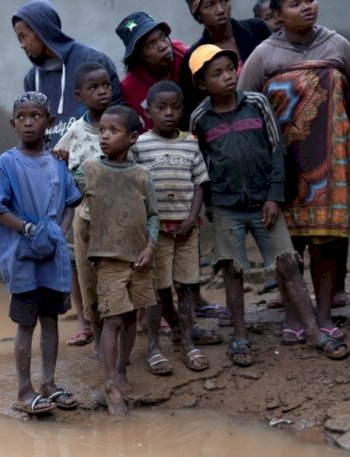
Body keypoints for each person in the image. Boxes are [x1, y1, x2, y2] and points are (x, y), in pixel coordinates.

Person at [189, 45, 349, 366]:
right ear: (202, 84)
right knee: (232, 270)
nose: (227, 77)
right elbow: (199, 164)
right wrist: (207, 206)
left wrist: (274, 196)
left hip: (265, 203)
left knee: (288, 263)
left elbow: (276, 150)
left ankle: (314, 331)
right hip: (225, 207)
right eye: (216, 74)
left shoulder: (257, 104)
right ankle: (239, 337)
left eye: (230, 70)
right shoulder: (200, 118)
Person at [238, 0, 350, 338]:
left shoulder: (338, 46)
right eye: (294, 3)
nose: (307, 7)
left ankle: (324, 316)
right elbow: (246, 111)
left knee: (327, 244)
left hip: (330, 167)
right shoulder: (263, 55)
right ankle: (292, 318)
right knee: (286, 247)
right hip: (282, 168)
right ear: (276, 14)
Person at [0, 91, 82, 415]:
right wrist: (27, 229)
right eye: (22, 118)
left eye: (36, 116)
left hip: (52, 257)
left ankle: (49, 384)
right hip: (22, 258)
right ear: (13, 124)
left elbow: (71, 201)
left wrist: (61, 231)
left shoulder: (57, 162)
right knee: (26, 324)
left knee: (51, 319)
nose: (28, 123)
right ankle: (24, 391)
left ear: (49, 122)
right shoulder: (6, 164)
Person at [76, 105, 159, 414]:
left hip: (138, 258)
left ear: (133, 138)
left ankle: (122, 369)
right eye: (102, 131)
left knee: (129, 318)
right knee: (112, 319)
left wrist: (150, 248)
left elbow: (153, 214)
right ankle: (110, 381)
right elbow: (70, 195)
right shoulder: (90, 169)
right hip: (107, 258)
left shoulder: (142, 174)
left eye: (113, 131)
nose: (105, 136)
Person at [132, 81, 213, 374]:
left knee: (188, 285)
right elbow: (134, 186)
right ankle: (155, 345)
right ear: (148, 110)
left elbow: (200, 183)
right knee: (157, 289)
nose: (168, 113)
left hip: (187, 229)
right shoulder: (140, 145)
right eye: (161, 107)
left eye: (175, 107)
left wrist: (192, 218)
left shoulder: (190, 142)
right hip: (156, 234)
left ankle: (188, 340)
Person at [54, 62, 112, 353]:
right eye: (94, 88)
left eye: (105, 85)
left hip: (118, 217)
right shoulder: (75, 133)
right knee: (86, 273)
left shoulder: (121, 125)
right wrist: (62, 162)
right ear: (80, 96)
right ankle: (94, 330)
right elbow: (57, 165)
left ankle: (128, 326)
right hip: (84, 217)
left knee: (119, 272)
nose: (102, 91)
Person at [11, 0, 123, 146]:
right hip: (53, 166)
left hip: (95, 161)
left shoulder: (91, 60)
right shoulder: (32, 79)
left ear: (41, 30)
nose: (22, 45)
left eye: (23, 36)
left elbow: (119, 111)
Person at [179, 0, 271, 128]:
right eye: (210, 5)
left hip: (271, 116)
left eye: (223, 1)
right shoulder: (194, 58)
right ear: (198, 16)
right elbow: (191, 109)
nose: (221, 10)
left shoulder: (256, 30)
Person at [115, 12, 188, 131]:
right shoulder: (129, 89)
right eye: (151, 44)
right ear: (139, 56)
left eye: (163, 37)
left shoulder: (183, 54)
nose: (163, 46)